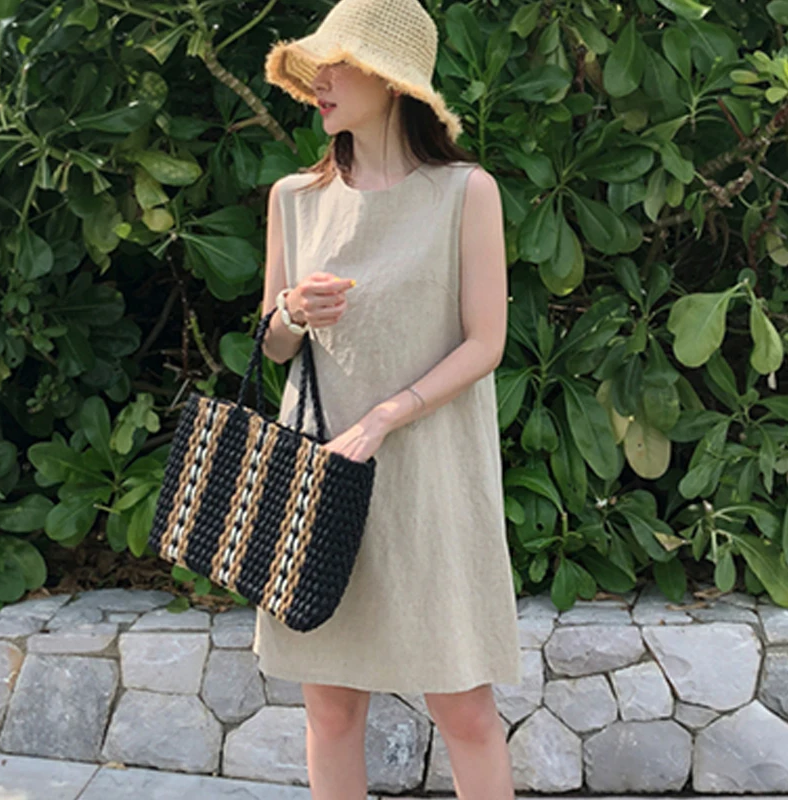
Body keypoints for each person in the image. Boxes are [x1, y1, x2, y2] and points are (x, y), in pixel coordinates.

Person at [253, 0, 524, 797]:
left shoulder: (466, 193)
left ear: (393, 80)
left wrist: (387, 416)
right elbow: (273, 344)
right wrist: (291, 311)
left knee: (465, 710)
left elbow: (485, 342)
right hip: (323, 472)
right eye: (316, 65)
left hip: (431, 475)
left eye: (338, 64)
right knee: (331, 709)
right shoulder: (295, 197)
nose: (320, 81)